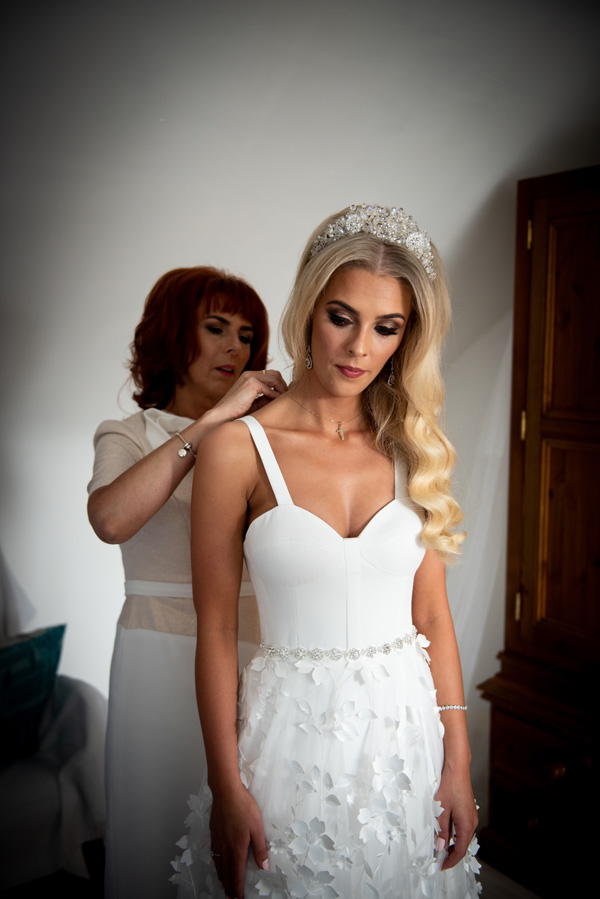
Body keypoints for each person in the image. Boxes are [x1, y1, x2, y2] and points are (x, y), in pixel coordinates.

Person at [172, 207, 480, 899]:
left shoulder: (414, 446)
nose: (359, 347)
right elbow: (216, 628)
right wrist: (226, 783)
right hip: (287, 744)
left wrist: (459, 763)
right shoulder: (237, 449)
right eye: (341, 317)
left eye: (386, 327)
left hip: (406, 739)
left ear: (408, 336)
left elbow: (433, 616)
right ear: (309, 309)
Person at [87, 266, 287, 899]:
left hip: (257, 653)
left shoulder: (264, 441)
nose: (235, 348)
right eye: (216, 328)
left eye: (247, 335)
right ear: (174, 334)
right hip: (158, 654)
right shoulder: (127, 434)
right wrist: (212, 421)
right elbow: (111, 520)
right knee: (159, 829)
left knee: (253, 841)